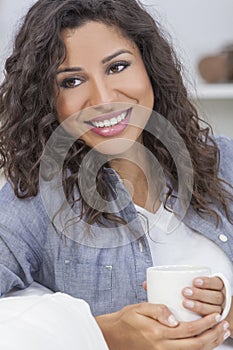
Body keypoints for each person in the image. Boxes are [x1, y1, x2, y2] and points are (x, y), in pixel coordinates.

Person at [0, 0, 233, 349]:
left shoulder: (222, 160)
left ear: (150, 67)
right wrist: (102, 335)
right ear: (47, 97)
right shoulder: (35, 199)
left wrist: (227, 312)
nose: (103, 99)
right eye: (72, 80)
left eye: (118, 67)